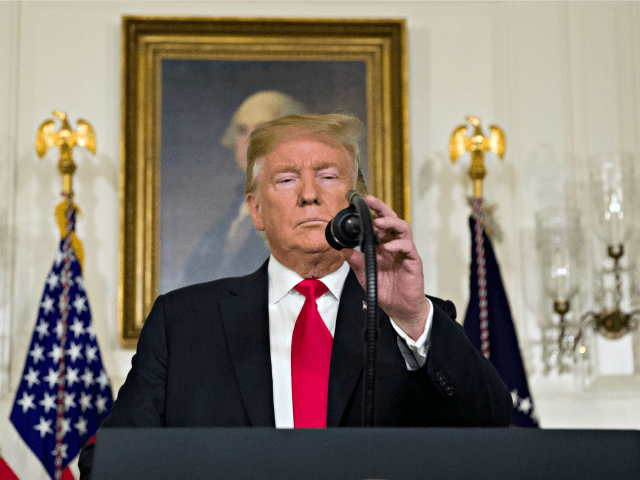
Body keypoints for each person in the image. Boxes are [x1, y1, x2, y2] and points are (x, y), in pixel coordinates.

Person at [79, 114, 511, 478]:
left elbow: (492, 427)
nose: (309, 194)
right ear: (256, 210)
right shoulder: (184, 323)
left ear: (356, 202)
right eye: (287, 179)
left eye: (327, 176)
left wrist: (413, 316)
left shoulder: (410, 318)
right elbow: (108, 463)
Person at [181, 90, 307, 286]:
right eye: (242, 131)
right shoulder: (232, 218)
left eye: (261, 130)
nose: (249, 141)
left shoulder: (309, 212)